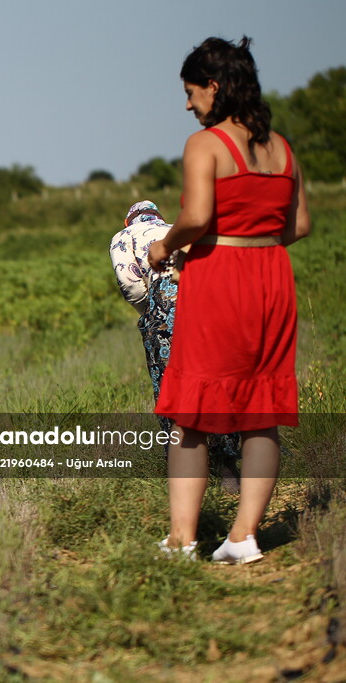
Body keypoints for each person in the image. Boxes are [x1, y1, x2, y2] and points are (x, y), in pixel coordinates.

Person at [147, 37, 311, 563]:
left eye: (191, 92)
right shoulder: (282, 148)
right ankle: (243, 537)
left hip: (220, 279)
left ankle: (181, 540)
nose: (188, 105)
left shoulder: (206, 144)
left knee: (192, 413)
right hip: (273, 279)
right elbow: (300, 225)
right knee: (262, 411)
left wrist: (164, 246)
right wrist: (256, 244)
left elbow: (196, 217)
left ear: (214, 87)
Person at [110, 200, 241, 492]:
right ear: (158, 217)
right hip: (210, 304)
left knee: (171, 387)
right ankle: (227, 466)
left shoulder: (124, 237)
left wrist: (150, 312)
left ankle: (182, 470)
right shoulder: (175, 229)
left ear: (128, 221)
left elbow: (130, 285)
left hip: (166, 308)